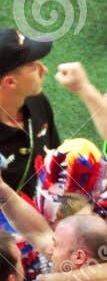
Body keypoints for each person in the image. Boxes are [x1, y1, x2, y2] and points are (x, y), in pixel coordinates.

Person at [0, 28, 57, 197]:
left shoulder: (37, 101)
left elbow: (55, 155)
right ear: (10, 82)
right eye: (33, 65)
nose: (44, 70)